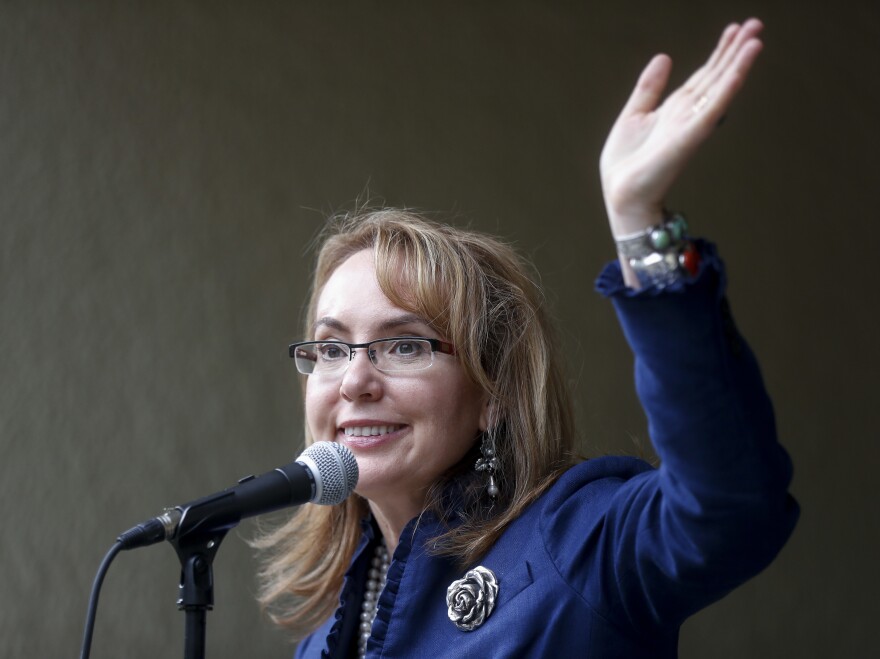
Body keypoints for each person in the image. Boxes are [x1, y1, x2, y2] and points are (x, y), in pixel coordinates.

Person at [254, 17, 798, 658]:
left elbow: (727, 507)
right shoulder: (320, 643)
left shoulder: (577, 547)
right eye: (332, 347)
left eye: (404, 344)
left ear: (495, 392)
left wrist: (637, 223)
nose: (354, 380)